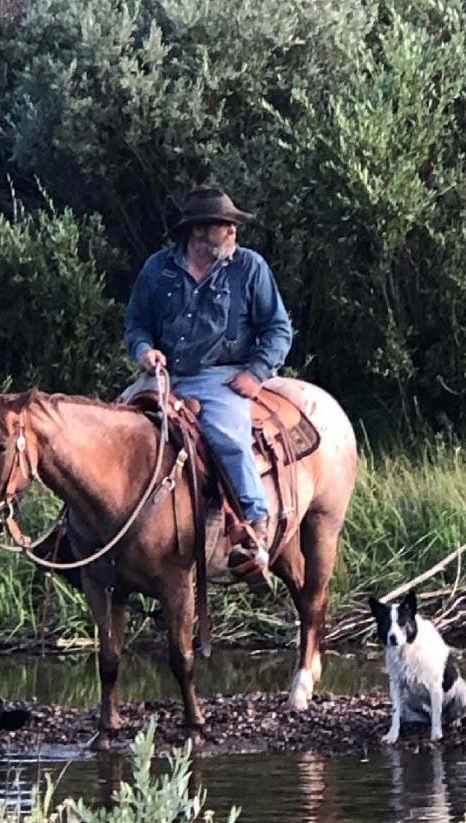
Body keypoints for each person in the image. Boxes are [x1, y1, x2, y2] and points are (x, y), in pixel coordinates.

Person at [124, 187, 293, 586]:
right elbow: (137, 324)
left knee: (228, 438)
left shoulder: (249, 267)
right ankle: (77, 533)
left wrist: (256, 372)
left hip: (220, 377)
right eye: (225, 224)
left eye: (233, 224)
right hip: (164, 376)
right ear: (198, 231)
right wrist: (145, 351)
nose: (233, 230)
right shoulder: (158, 269)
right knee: (112, 427)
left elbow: (278, 328)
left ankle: (254, 528)